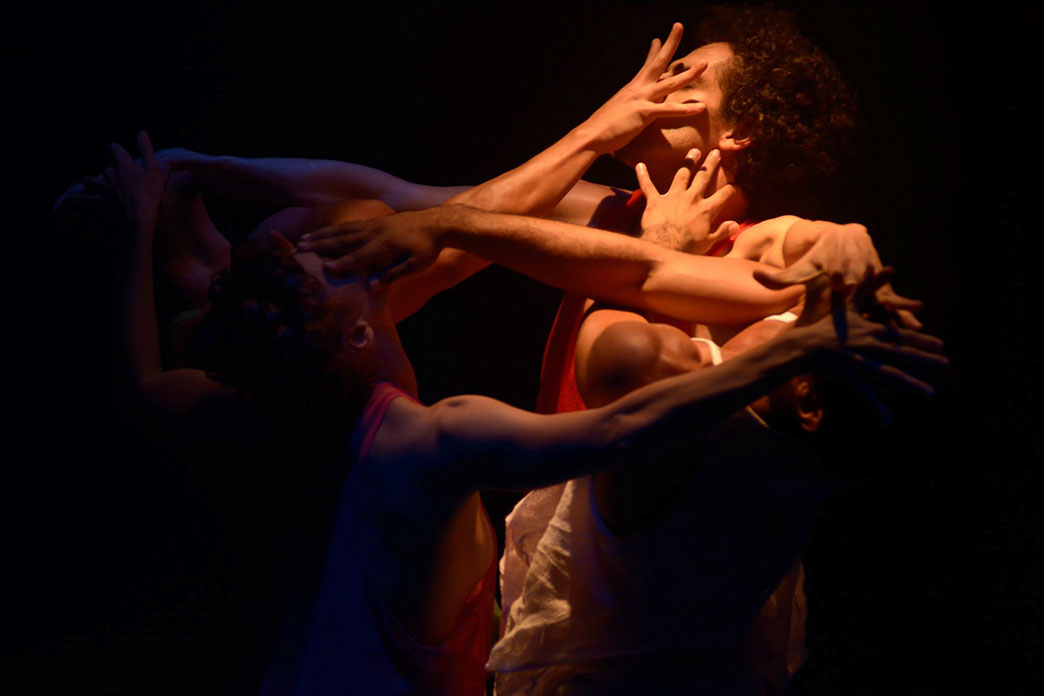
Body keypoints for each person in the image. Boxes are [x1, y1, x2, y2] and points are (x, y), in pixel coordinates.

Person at [103, 132, 941, 695]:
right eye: (338, 265)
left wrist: (141, 220)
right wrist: (792, 340)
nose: (361, 251)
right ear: (359, 331)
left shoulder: (249, 406)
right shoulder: (432, 437)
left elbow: (143, 384)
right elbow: (620, 403)